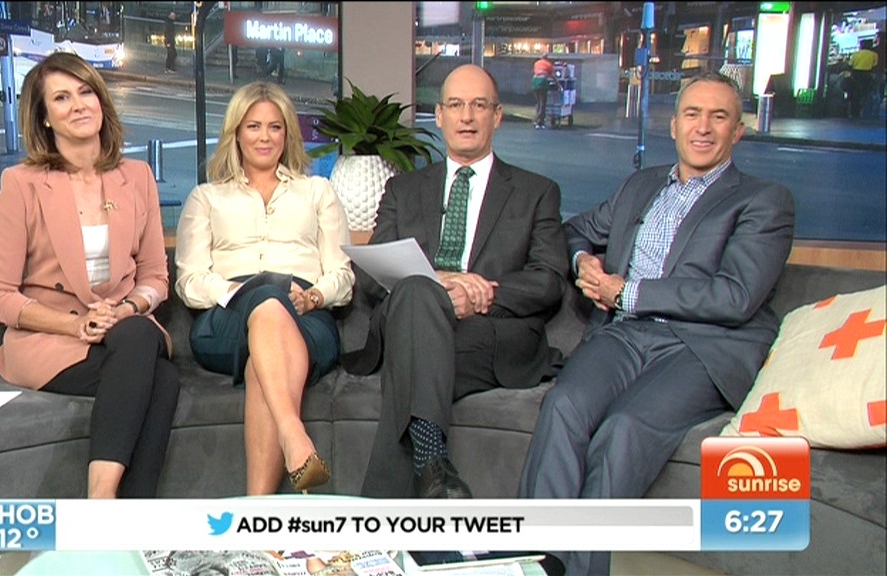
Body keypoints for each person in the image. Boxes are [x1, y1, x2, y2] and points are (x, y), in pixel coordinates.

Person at [519, 72, 796, 575]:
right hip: (624, 335)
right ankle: (536, 562)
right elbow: (574, 230)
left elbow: (736, 295)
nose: (703, 127)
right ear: (674, 126)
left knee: (623, 430)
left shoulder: (763, 200)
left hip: (701, 346)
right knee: (563, 406)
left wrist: (627, 292)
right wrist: (584, 261)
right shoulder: (641, 186)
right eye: (693, 114)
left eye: (719, 117)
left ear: (738, 131)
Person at [343, 64, 569, 498]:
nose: (467, 116)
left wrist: (481, 295)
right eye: (456, 105)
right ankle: (434, 466)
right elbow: (370, 276)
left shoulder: (536, 191)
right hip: (410, 317)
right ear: (440, 115)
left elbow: (549, 280)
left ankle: (390, 513)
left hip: (487, 333)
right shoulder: (403, 189)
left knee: (412, 364)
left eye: (479, 105)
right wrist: (437, 281)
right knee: (417, 292)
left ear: (497, 116)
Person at [0, 52, 180, 499]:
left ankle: (105, 514)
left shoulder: (137, 176)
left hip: (123, 330)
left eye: (86, 92)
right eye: (62, 97)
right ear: (44, 117)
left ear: (101, 101)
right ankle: (105, 505)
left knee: (139, 337)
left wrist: (127, 307)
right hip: (52, 341)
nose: (78, 105)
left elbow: (155, 276)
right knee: (160, 375)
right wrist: (76, 325)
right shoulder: (22, 184)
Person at [174, 81, 354, 495]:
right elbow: (189, 281)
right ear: (236, 133)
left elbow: (342, 276)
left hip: (305, 316)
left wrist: (314, 296)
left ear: (287, 134)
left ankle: (258, 510)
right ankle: (294, 435)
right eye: (253, 126)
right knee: (266, 299)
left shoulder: (317, 192)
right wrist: (238, 292)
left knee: (263, 361)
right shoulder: (206, 198)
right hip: (226, 319)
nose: (264, 137)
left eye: (275, 127)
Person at [848, 39, 879, 119]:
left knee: (855, 94)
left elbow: (850, 65)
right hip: (867, 75)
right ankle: (865, 111)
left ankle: (854, 112)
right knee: (865, 94)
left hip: (856, 75)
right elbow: (874, 66)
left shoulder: (855, 54)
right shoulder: (874, 55)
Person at [531, 53, 555, 129]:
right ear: (547, 58)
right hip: (542, 82)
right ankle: (539, 121)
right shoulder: (548, 64)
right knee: (542, 103)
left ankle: (538, 120)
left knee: (538, 102)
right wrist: (558, 85)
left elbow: (534, 72)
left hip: (535, 82)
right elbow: (553, 76)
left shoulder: (536, 63)